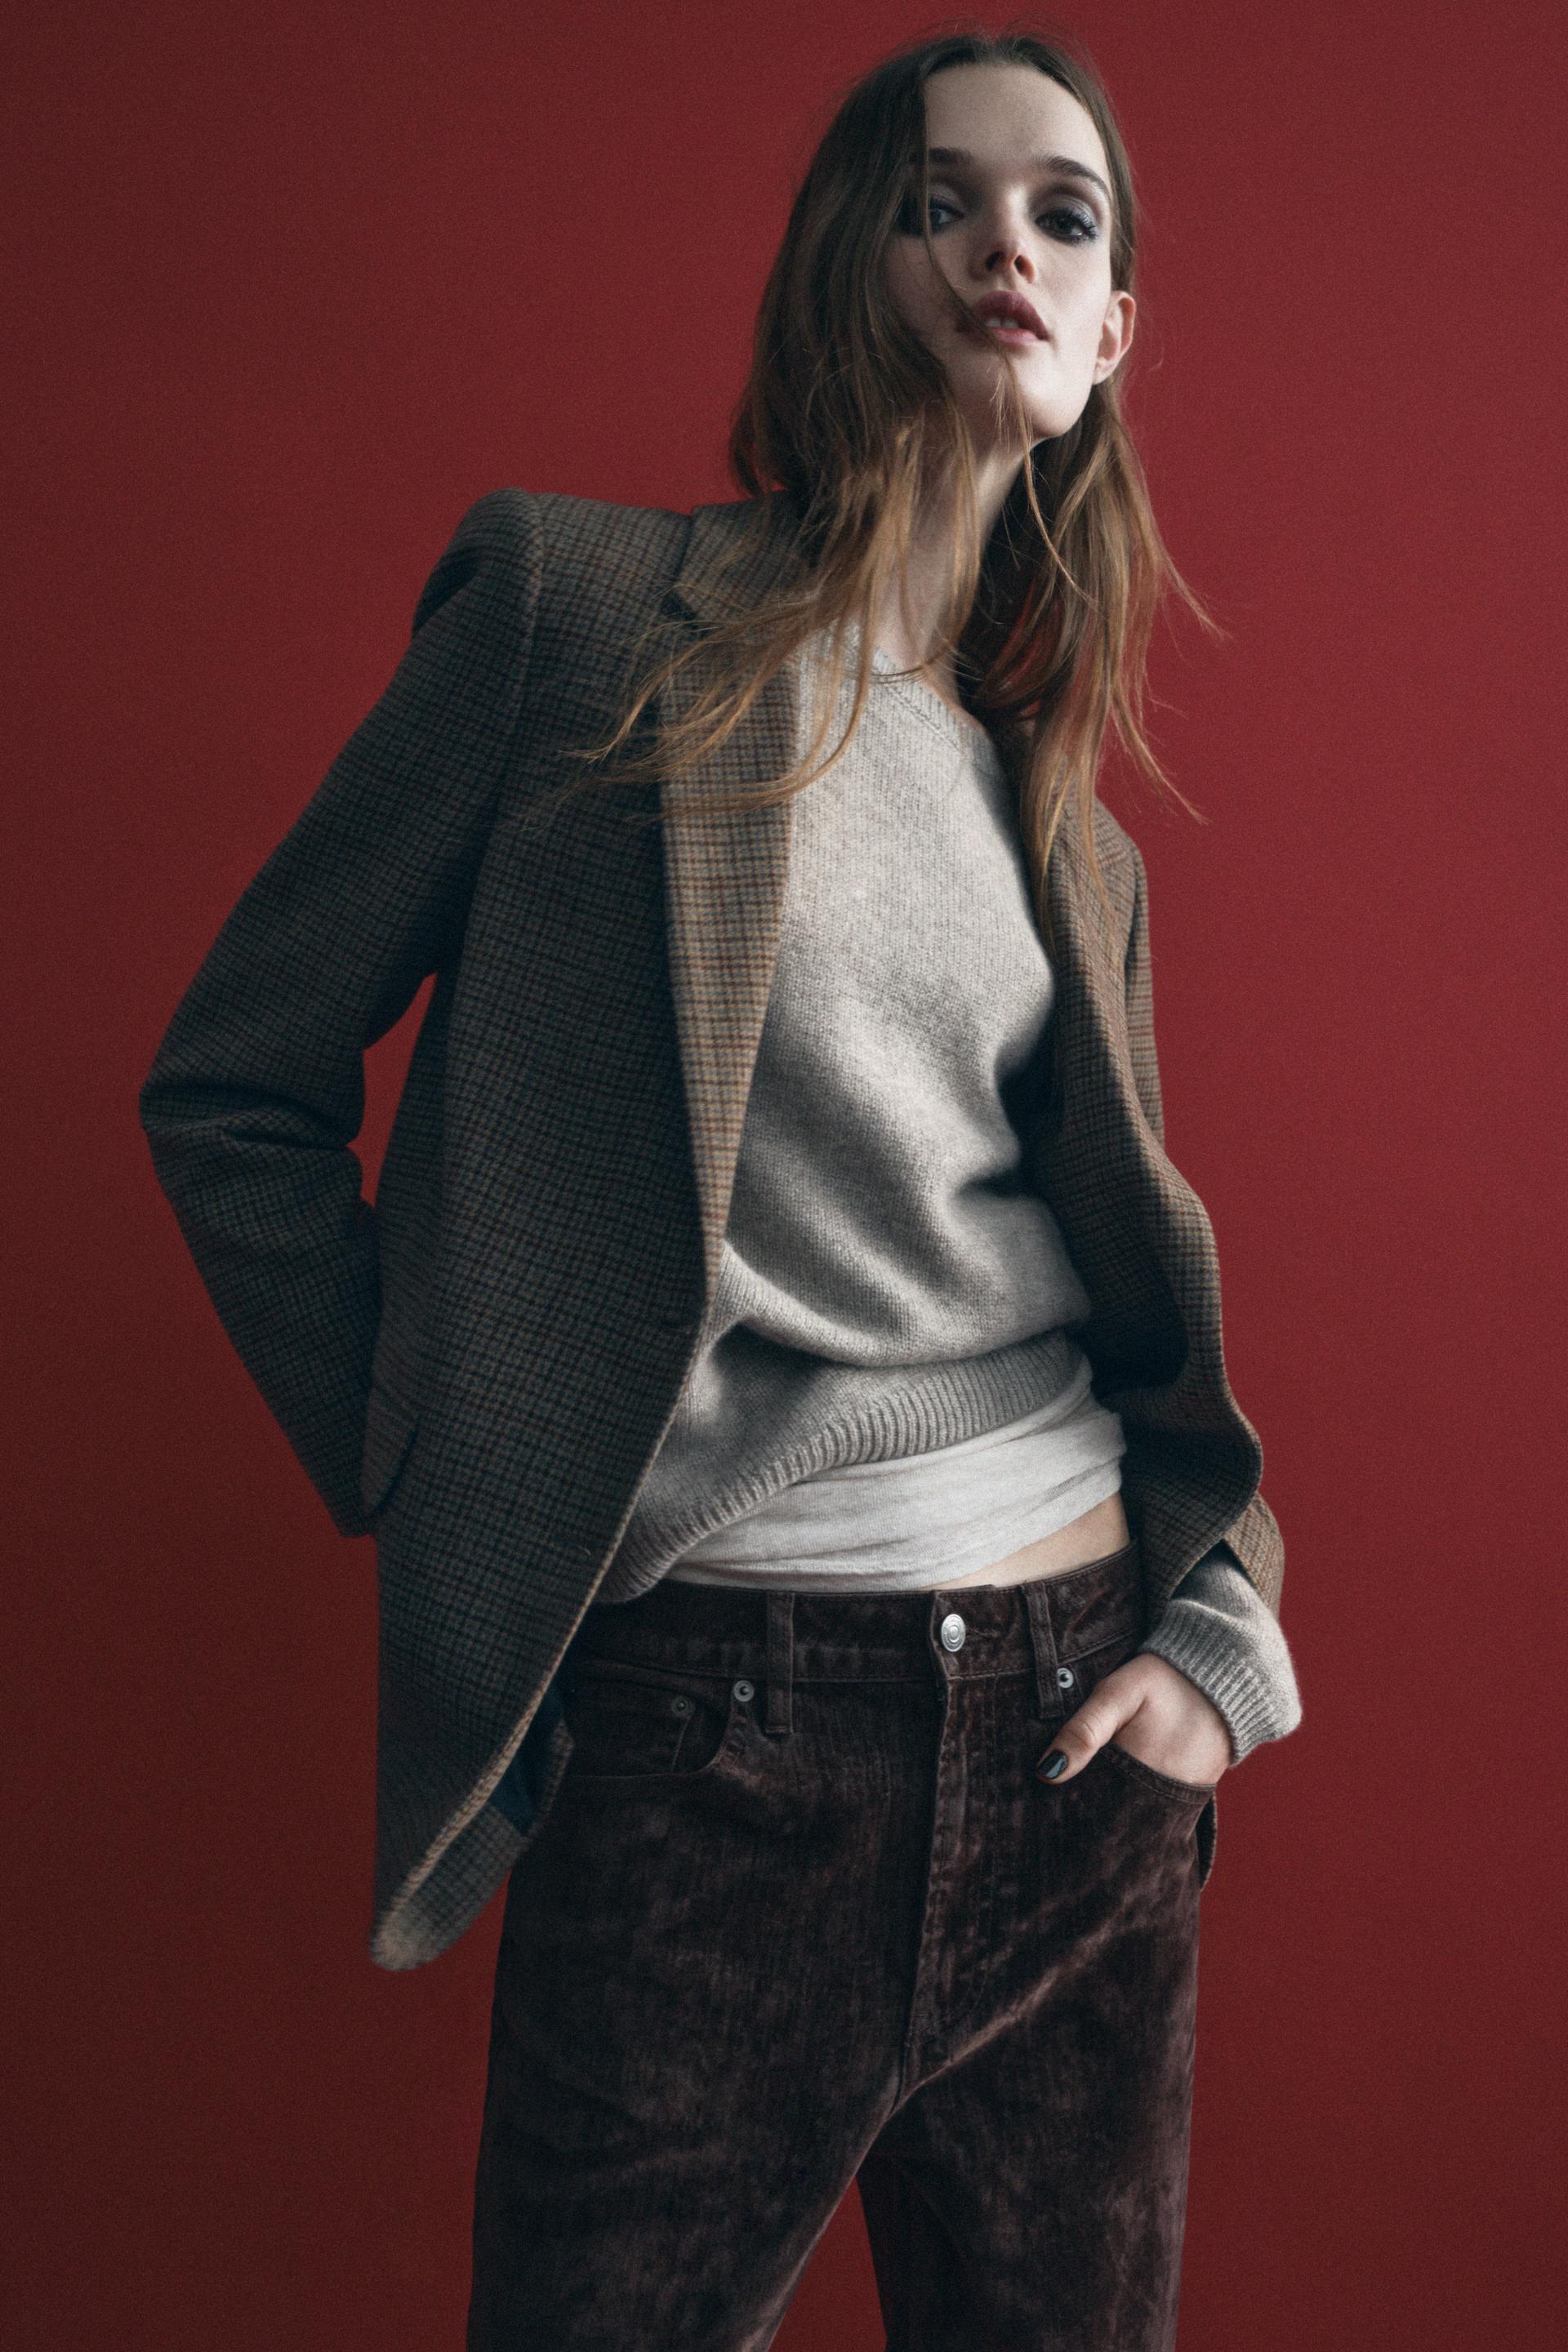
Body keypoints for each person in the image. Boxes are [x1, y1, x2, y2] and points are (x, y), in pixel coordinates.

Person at [139, 24, 1303, 2350]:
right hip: (717, 1740)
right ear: (848, 259)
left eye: (1063, 214)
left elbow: (1134, 1310)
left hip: (1082, 1742)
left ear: (1109, 337)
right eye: (940, 198)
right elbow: (235, 1082)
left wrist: (1225, 1630)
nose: (1004, 244)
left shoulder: (1064, 831)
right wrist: (427, 1444)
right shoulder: (583, 618)